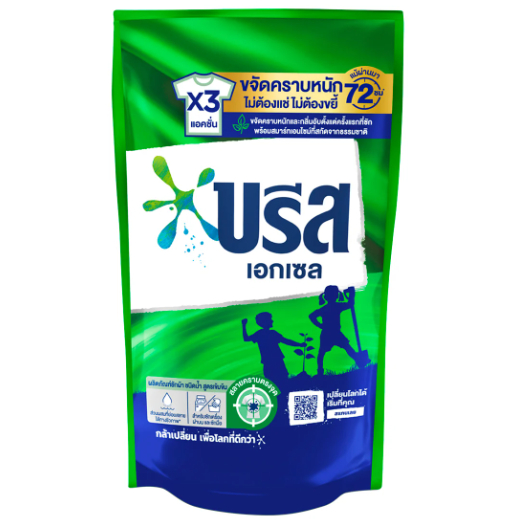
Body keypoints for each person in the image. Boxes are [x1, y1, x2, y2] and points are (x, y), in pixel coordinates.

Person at [242, 312, 305, 383]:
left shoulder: (260, 334)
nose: (272, 321)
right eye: (270, 319)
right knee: (281, 376)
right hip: (276, 359)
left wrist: (244, 325)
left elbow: (246, 338)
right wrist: (299, 344)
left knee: (271, 377)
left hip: (268, 360)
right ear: (265, 322)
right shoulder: (271, 333)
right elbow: (285, 341)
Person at [309, 285, 357, 376]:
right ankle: (359, 360)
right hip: (333, 333)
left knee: (322, 353)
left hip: (329, 333)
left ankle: (320, 372)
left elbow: (311, 316)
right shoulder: (336, 306)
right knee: (346, 348)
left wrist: (321, 326)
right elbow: (350, 304)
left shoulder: (324, 308)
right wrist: (352, 294)